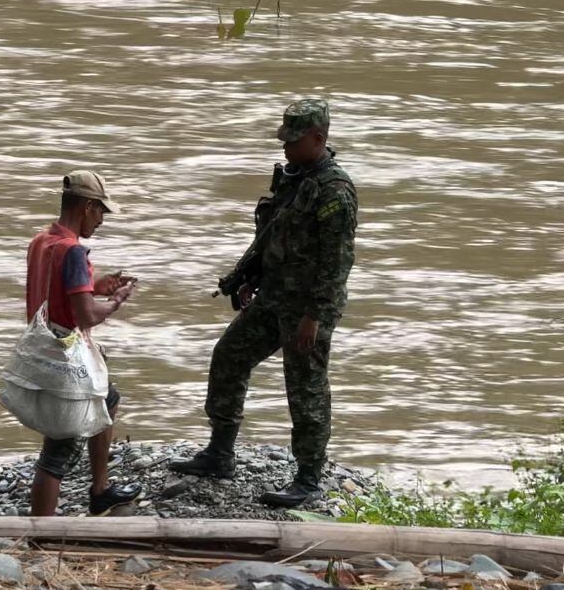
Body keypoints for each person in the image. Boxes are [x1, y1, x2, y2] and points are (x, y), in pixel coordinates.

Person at [172, 98, 358, 509]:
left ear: (318, 139)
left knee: (305, 388)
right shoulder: (292, 178)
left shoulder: (334, 192)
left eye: (293, 141)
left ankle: (308, 476)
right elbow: (272, 236)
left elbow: (337, 263)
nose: (285, 149)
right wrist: (248, 279)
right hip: (272, 297)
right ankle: (220, 453)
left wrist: (314, 317)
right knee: (228, 357)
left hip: (306, 308)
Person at [24, 170, 140, 516]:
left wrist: (95, 285)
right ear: (87, 207)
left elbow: (55, 291)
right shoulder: (73, 251)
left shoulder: (42, 241)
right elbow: (86, 315)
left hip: (42, 345)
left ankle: (101, 489)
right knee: (58, 451)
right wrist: (117, 300)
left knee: (109, 399)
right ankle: (39, 538)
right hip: (66, 358)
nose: (102, 220)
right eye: (101, 211)